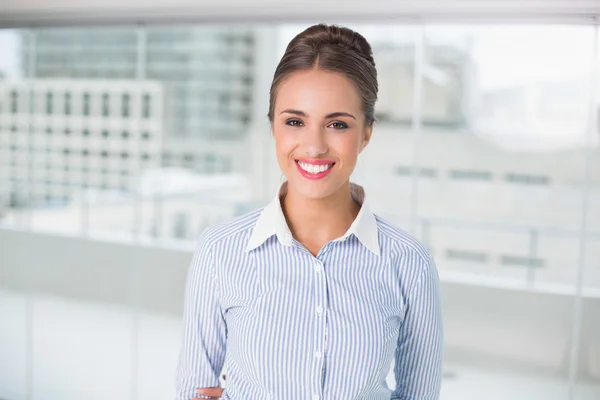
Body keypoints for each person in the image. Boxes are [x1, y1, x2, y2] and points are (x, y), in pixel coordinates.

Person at [176, 23, 443, 400]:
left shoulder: (408, 262)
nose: (314, 146)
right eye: (295, 121)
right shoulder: (220, 250)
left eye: (337, 124)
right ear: (273, 126)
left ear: (366, 132)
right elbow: (196, 391)